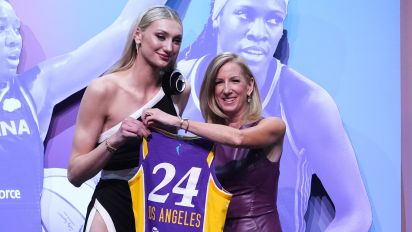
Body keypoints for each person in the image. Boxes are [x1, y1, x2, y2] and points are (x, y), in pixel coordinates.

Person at [176, 0, 372, 231]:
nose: (259, 33)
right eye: (244, 14)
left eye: (273, 19)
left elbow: (356, 212)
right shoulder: (178, 83)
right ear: (217, 17)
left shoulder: (306, 102)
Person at [0, 0, 166, 231]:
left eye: (16, 29)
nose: (13, 40)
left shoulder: (33, 90)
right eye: (1, 28)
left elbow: (121, 33)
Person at [68, 6, 189, 231]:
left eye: (176, 40)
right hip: (112, 207)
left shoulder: (179, 91)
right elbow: (75, 174)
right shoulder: (103, 89)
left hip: (159, 211)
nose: (169, 47)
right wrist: (115, 140)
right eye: (161, 36)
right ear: (138, 35)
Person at [143, 52, 286, 231]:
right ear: (211, 91)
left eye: (235, 81)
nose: (226, 89)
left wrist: (180, 122)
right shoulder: (205, 140)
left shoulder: (273, 126)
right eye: (219, 82)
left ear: (249, 86)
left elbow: (238, 138)